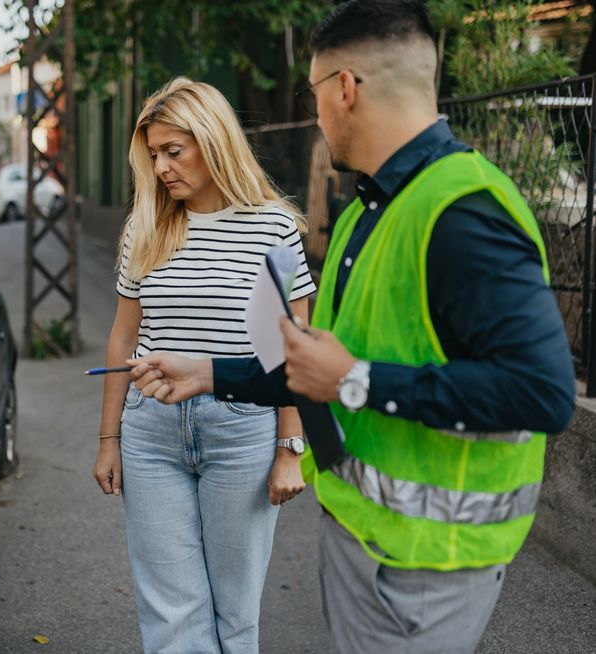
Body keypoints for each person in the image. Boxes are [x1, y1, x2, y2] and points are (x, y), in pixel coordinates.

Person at [126, 2, 577, 653]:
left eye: (314, 95)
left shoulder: (462, 213)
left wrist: (359, 380)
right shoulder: (371, 206)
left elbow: (544, 395)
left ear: (344, 88)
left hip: (425, 569)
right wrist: (208, 373)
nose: (315, 115)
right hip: (365, 544)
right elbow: (316, 367)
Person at [93, 77, 316, 653]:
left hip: (241, 430)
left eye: (174, 150)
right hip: (150, 434)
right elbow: (124, 336)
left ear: (213, 141)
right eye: (153, 154)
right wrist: (109, 438)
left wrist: (290, 450)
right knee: (170, 612)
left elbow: (289, 347)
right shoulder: (145, 227)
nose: (162, 167)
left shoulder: (274, 227)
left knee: (235, 610)